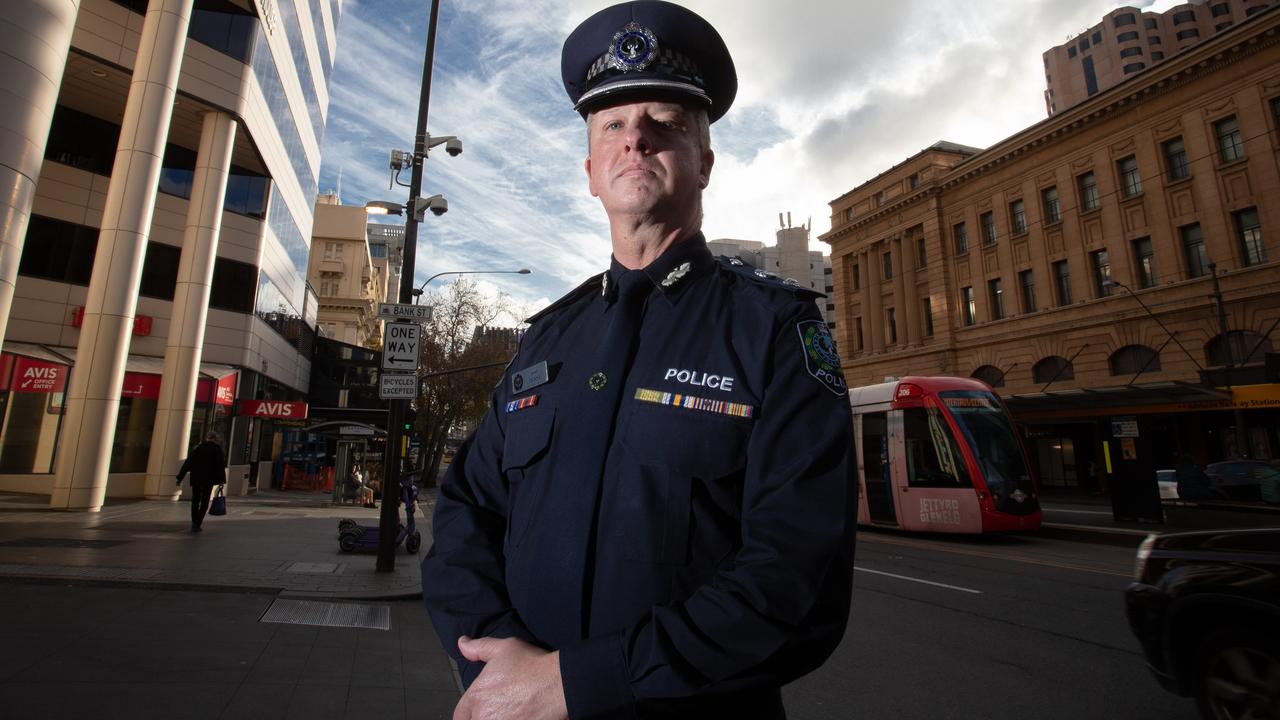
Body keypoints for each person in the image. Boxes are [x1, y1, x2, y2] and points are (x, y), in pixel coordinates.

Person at [420, 3, 857, 718]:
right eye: (614, 126)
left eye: (665, 124)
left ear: (704, 162)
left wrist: (576, 682)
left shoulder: (773, 331)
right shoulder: (547, 340)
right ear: (591, 170)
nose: (636, 140)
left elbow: (793, 576)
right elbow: (467, 509)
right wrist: (497, 663)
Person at [176, 433, 226, 532]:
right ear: (215, 439)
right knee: (205, 501)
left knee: (195, 500)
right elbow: (220, 466)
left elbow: (188, 463)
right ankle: (198, 522)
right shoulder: (217, 449)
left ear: (207, 438)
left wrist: (180, 477)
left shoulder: (198, 448)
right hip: (209, 479)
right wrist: (221, 481)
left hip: (196, 478)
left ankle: (194, 521)